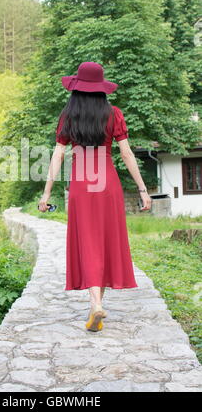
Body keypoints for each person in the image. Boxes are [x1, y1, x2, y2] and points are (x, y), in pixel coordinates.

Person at [38, 62, 152, 332]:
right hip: (108, 182)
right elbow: (126, 154)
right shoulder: (114, 114)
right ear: (101, 89)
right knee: (105, 241)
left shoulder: (68, 116)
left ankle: (95, 304)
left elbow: (58, 155)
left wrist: (46, 193)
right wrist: (143, 189)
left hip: (81, 183)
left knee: (87, 241)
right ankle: (97, 304)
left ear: (77, 89)